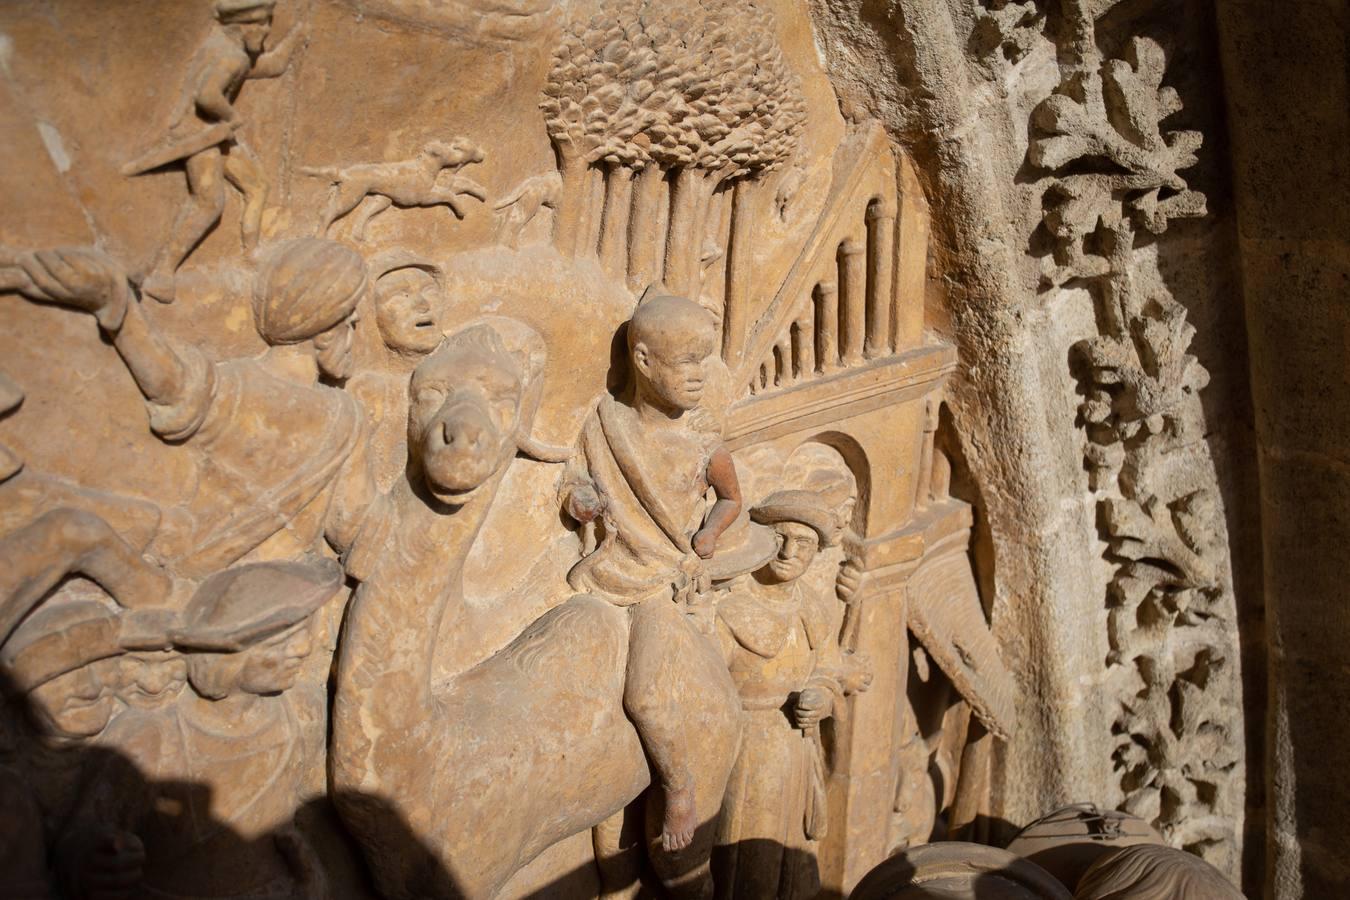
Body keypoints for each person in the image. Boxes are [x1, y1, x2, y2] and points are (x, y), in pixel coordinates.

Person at [12, 240, 376, 579]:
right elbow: (351, 525)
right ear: (326, 327)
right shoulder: (343, 415)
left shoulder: (232, 383)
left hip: (191, 571)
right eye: (351, 319)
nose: (357, 326)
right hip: (279, 601)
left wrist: (121, 308)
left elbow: (169, 380)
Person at [559, 289, 743, 851]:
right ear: (643, 362)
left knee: (646, 696)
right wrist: (582, 501)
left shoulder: (702, 445)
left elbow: (732, 500)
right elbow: (573, 486)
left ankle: (679, 786)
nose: (700, 375)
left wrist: (709, 533)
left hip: (659, 586)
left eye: (705, 359)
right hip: (606, 573)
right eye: (687, 360)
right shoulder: (602, 428)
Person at [712, 489, 870, 900]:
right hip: (742, 751)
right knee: (747, 865)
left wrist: (820, 695)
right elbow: (703, 689)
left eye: (803, 543)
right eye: (779, 538)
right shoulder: (729, 604)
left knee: (793, 864)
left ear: (816, 552)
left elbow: (829, 668)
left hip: (796, 754)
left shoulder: (813, 608)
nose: (787, 552)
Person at [128, 0, 306, 302]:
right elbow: (207, 95)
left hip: (216, 136)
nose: (264, 32)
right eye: (261, 25)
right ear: (241, 25)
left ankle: (251, 254)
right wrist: (232, 116)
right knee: (209, 203)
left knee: (257, 185)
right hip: (199, 134)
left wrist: (297, 34)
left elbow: (272, 66)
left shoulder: (227, 49)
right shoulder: (231, 55)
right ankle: (162, 273)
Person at [346, 253, 444, 491]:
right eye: (402, 295)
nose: (422, 305)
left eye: (430, 291)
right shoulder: (364, 392)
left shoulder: (458, 383)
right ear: (371, 313)